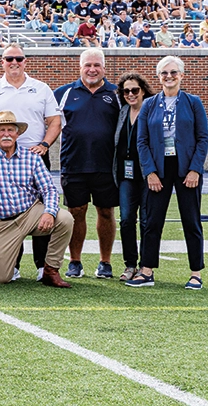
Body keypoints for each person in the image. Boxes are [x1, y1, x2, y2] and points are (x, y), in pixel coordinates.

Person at [0, 44, 60, 278]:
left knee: (43, 212)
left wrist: (45, 145)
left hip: (34, 158)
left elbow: (55, 121)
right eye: (9, 58)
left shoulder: (40, 88)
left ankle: (43, 265)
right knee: (11, 210)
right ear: (2, 62)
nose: (14, 62)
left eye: (18, 58)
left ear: (25, 61)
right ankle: (14, 263)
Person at [0, 111, 74, 288]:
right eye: (1, 130)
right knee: (1, 278)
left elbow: (49, 188)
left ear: (18, 133)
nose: (6, 134)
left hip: (31, 213)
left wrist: (49, 212)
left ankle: (51, 270)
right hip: (2, 223)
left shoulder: (32, 157)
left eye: (10, 130)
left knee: (65, 219)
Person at [129, 56, 207, 290]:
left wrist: (195, 169)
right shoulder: (150, 104)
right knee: (152, 221)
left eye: (173, 72)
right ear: (158, 76)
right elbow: (141, 141)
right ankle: (146, 271)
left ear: (181, 75)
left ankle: (196, 273)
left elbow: (203, 138)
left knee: (191, 220)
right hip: (159, 168)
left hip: (186, 169)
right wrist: (149, 172)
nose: (169, 76)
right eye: (164, 73)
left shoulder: (193, 102)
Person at [53, 48, 121, 280]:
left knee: (105, 211)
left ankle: (105, 262)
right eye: (87, 65)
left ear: (104, 67)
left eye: (97, 65)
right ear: (80, 67)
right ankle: (75, 261)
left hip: (106, 166)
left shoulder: (117, 93)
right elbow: (50, 124)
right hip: (74, 164)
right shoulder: (63, 93)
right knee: (76, 213)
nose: (92, 69)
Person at [113, 72, 152, 282]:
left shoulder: (152, 110)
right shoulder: (122, 112)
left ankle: (146, 266)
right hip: (126, 175)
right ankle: (130, 264)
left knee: (146, 221)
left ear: (143, 90)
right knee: (127, 220)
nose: (130, 94)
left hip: (148, 174)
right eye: (126, 91)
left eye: (134, 90)